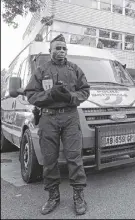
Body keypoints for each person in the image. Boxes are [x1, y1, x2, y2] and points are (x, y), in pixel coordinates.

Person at [25, 34, 90, 216]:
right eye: (57, 48)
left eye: (64, 48)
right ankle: (53, 196)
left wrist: (71, 97)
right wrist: (50, 95)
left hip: (70, 117)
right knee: (49, 159)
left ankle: (79, 195)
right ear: (50, 51)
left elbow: (85, 90)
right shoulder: (41, 70)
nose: (61, 51)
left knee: (74, 157)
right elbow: (30, 94)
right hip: (48, 118)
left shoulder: (75, 69)